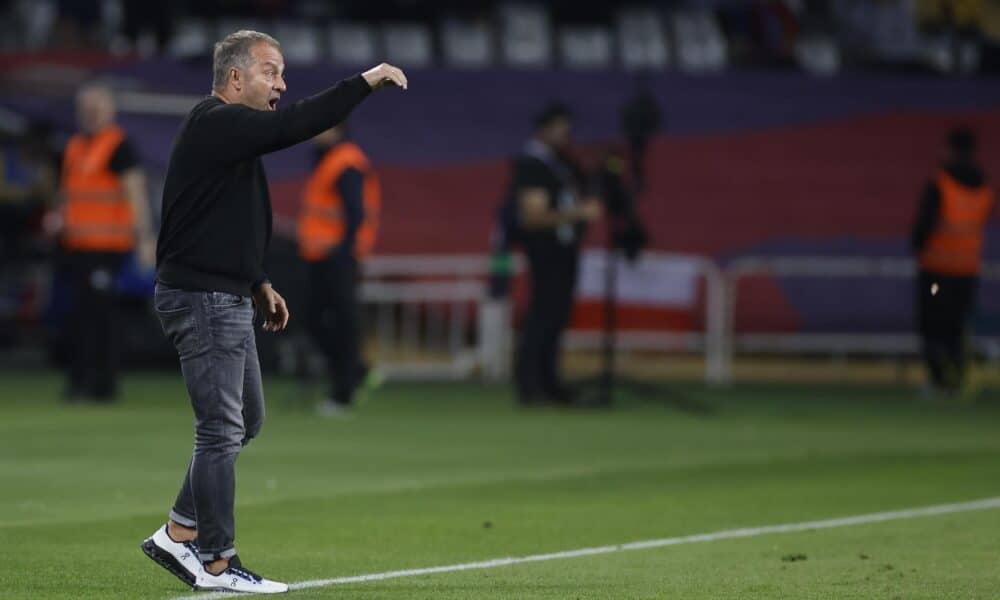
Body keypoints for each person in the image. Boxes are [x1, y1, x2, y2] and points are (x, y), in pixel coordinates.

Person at [140, 29, 406, 594]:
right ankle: (216, 562)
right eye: (272, 72)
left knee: (246, 422)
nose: (282, 85)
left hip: (227, 292)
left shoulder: (227, 138)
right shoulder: (215, 121)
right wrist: (364, 81)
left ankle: (178, 530)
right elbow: (294, 126)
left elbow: (226, 216)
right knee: (220, 430)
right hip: (203, 296)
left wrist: (258, 280)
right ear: (235, 78)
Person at [56, 84, 154, 402]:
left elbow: (135, 193)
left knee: (101, 316)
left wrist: (144, 238)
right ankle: (82, 381)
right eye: (86, 106)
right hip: (77, 245)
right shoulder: (74, 146)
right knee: (80, 315)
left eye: (97, 106)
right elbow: (69, 193)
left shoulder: (118, 146)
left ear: (110, 110)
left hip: (108, 246)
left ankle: (102, 384)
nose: (91, 112)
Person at [503, 103, 601, 406]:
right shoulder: (533, 163)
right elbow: (533, 215)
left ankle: (549, 382)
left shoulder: (559, 163)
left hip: (562, 249)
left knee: (556, 315)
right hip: (546, 249)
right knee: (543, 315)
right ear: (545, 128)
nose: (567, 133)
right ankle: (532, 384)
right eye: (561, 127)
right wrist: (578, 214)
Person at [297, 123, 380, 415]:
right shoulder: (329, 160)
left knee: (342, 323)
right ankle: (354, 370)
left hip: (338, 256)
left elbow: (355, 212)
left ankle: (344, 391)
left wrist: (345, 252)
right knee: (315, 320)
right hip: (321, 254)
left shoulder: (346, 162)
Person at [911, 128, 994, 395]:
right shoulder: (984, 187)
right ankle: (957, 380)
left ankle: (938, 381)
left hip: (937, 271)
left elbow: (923, 228)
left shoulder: (940, 184)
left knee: (933, 327)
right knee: (957, 328)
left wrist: (918, 247)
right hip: (967, 271)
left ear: (950, 149)